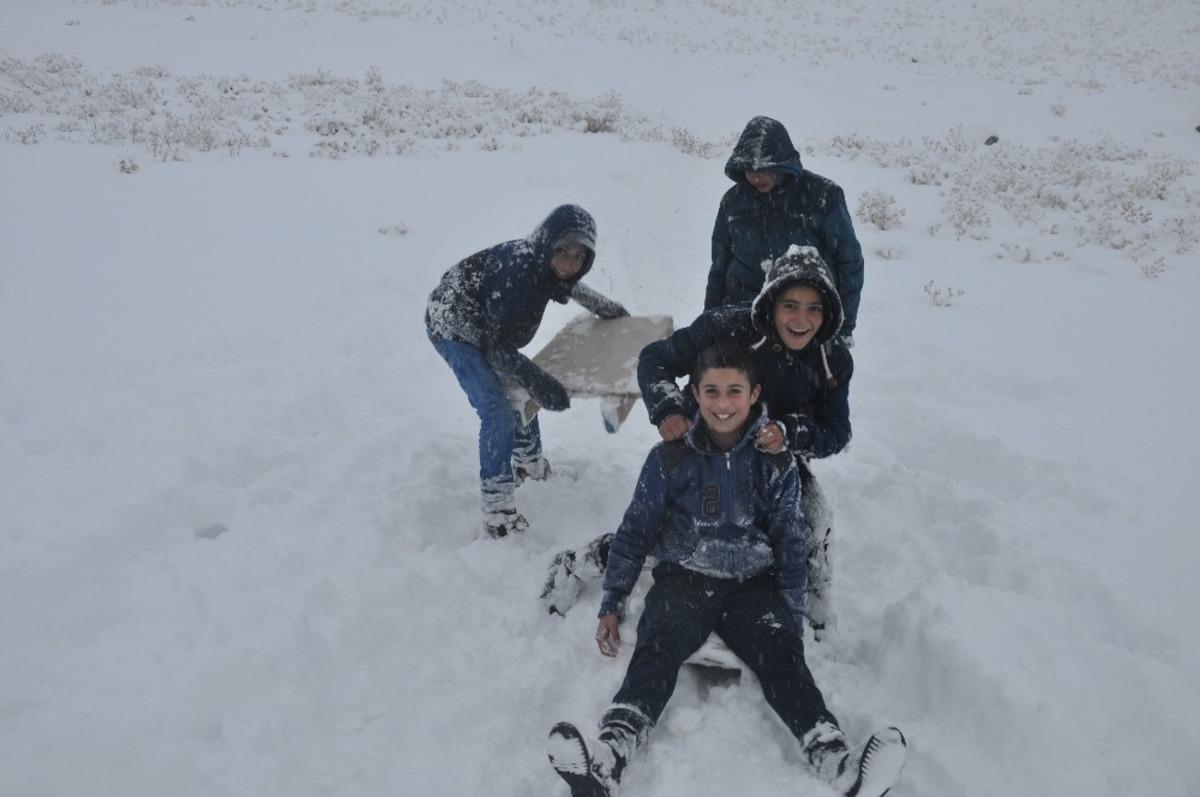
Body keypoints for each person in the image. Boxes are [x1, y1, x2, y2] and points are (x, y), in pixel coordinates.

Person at [545, 344, 905, 797]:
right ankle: (609, 756)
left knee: (782, 660)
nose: (721, 402)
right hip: (684, 581)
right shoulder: (669, 459)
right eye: (711, 390)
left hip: (752, 588)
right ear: (694, 393)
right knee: (657, 649)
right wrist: (612, 602)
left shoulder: (776, 462)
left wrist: (791, 614)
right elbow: (635, 533)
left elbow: (790, 543)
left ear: (754, 394)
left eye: (734, 390)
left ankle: (836, 761)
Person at [542, 246, 847, 639]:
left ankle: (814, 601)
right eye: (790, 306)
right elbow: (655, 360)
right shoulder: (727, 326)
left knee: (814, 518)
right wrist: (669, 410)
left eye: (814, 309)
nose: (801, 320)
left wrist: (789, 431)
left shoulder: (833, 359)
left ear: (827, 313)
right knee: (674, 533)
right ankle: (580, 563)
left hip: (771, 456)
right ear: (771, 303)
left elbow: (836, 430)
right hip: (702, 444)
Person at [425, 204, 628, 538]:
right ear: (547, 244)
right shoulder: (516, 275)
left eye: (579, 256)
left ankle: (530, 467)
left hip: (488, 327)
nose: (568, 263)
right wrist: (541, 382)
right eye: (561, 251)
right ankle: (497, 509)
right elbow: (498, 350)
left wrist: (606, 308)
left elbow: (565, 283)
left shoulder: (545, 265)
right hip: (454, 326)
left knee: (520, 391)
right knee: (497, 408)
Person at [705, 115, 864, 345]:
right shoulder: (733, 201)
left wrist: (843, 327)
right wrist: (710, 321)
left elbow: (849, 262)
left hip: (803, 320)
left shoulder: (822, 196)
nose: (755, 176)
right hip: (742, 316)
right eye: (748, 168)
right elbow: (719, 266)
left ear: (782, 163)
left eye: (764, 168)